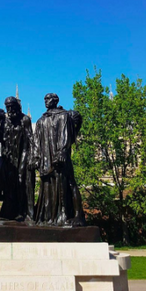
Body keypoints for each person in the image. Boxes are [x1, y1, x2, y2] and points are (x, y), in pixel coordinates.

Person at [33, 93, 85, 226]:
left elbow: (65, 135)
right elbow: (36, 142)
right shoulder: (40, 121)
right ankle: (48, 217)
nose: (46, 101)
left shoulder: (63, 116)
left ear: (55, 101)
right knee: (47, 186)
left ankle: (71, 215)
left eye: (48, 99)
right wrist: (36, 157)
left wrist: (62, 151)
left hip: (60, 157)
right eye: (44, 99)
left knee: (67, 184)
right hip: (46, 159)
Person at [2, 96, 36, 221]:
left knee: (22, 179)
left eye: (12, 107)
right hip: (11, 156)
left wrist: (33, 157)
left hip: (24, 154)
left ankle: (26, 212)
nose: (10, 110)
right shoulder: (6, 121)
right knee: (10, 182)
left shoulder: (25, 120)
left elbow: (31, 139)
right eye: (7, 108)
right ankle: (12, 212)